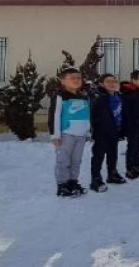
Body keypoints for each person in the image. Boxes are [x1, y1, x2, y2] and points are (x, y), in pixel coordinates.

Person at [48, 67, 90, 197]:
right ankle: (62, 185)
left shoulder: (83, 96)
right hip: (66, 134)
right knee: (63, 161)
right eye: (72, 78)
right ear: (63, 81)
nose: (77, 80)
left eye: (79, 78)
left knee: (76, 161)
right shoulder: (60, 96)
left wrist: (87, 132)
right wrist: (55, 135)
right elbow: (55, 115)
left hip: (81, 135)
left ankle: (73, 182)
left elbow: (86, 115)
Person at [90, 74, 127, 192]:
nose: (112, 84)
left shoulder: (117, 96)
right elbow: (95, 116)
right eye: (108, 81)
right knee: (98, 155)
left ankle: (112, 174)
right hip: (102, 132)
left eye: (114, 81)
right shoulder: (99, 97)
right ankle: (95, 178)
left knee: (113, 154)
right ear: (101, 84)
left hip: (115, 130)